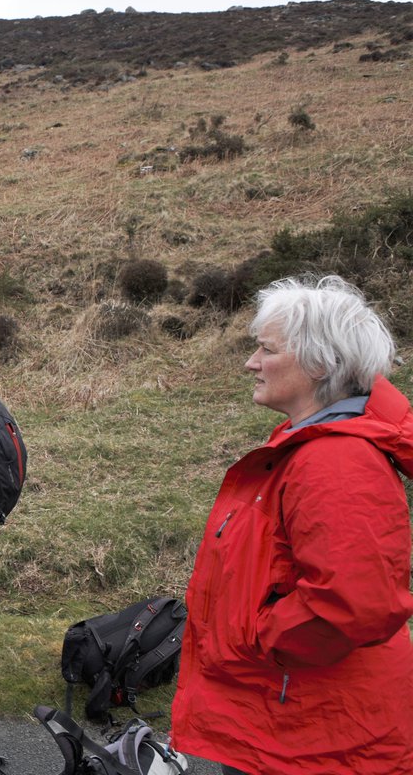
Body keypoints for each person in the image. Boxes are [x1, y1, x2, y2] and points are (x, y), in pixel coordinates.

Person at [171, 275, 413, 774]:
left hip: (313, 731)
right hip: (284, 715)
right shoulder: (303, 446)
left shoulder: (336, 461)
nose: (251, 363)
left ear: (320, 363)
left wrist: (259, 640)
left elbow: (352, 603)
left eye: (266, 350)